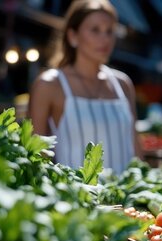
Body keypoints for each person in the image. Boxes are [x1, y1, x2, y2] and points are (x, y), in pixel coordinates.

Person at [28, 0, 140, 174]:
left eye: (110, 31)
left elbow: (136, 152)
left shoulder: (123, 84)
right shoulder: (49, 85)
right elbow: (36, 159)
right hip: (76, 199)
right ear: (72, 36)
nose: (105, 39)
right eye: (95, 30)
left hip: (127, 199)